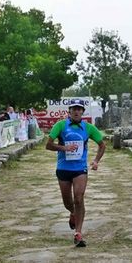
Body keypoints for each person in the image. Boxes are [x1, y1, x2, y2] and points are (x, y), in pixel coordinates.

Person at [46, 98, 106, 247]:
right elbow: (48, 145)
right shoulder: (60, 125)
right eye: (74, 109)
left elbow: (102, 145)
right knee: (68, 202)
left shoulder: (88, 128)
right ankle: (73, 212)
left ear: (82, 112)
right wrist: (64, 148)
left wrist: (96, 160)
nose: (77, 111)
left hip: (80, 169)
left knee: (79, 199)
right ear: (70, 111)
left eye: (80, 109)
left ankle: (78, 233)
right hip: (63, 168)